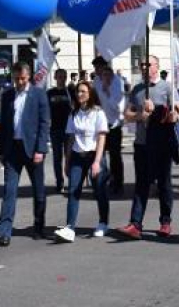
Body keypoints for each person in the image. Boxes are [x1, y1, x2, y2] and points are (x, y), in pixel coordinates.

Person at [0, 62, 51, 246]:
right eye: (16, 78)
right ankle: (3, 231)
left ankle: (39, 226)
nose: (20, 82)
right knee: (9, 190)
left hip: (32, 149)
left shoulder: (38, 94)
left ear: (28, 76)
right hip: (12, 150)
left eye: (22, 78)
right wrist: (2, 152)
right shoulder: (7, 95)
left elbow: (44, 123)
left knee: (39, 191)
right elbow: (4, 126)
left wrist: (41, 149)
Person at [118, 56, 177, 239]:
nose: (144, 67)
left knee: (164, 184)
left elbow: (177, 114)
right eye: (142, 64)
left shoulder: (167, 88)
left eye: (148, 64)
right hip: (142, 143)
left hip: (161, 143)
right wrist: (140, 115)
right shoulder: (137, 89)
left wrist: (158, 110)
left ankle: (165, 222)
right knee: (141, 184)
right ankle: (136, 224)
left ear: (157, 67)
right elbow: (127, 114)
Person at [55, 81, 110, 242]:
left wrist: (97, 162)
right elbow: (71, 138)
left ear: (90, 93)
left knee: (99, 190)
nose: (79, 94)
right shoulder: (74, 114)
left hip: (94, 155)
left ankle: (103, 222)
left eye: (83, 91)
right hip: (77, 156)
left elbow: (101, 137)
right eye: (78, 91)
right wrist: (67, 161)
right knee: (73, 190)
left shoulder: (98, 113)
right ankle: (70, 227)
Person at [93, 57, 126, 195]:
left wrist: (107, 90)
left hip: (114, 124)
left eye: (99, 68)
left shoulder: (117, 82)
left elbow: (118, 106)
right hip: (100, 124)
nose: (97, 71)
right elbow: (95, 100)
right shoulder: (96, 81)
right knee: (100, 155)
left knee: (115, 155)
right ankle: (103, 180)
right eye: (96, 69)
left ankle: (117, 182)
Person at [47, 68, 75, 193]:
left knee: (69, 156)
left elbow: (76, 107)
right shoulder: (50, 93)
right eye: (59, 77)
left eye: (64, 77)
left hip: (69, 129)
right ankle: (59, 182)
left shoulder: (70, 91)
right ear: (55, 77)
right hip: (55, 129)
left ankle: (72, 181)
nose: (61, 79)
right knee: (57, 158)